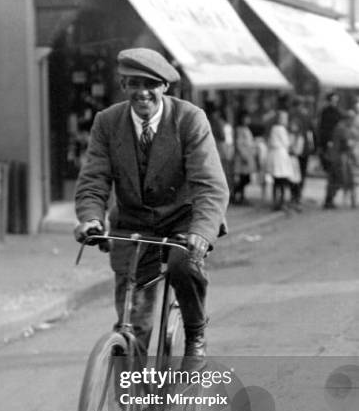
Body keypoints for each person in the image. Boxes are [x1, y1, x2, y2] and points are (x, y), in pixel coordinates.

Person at [74, 48, 229, 364]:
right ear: (123, 86)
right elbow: (94, 179)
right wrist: (91, 219)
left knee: (183, 265)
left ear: (164, 87)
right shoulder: (107, 122)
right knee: (134, 322)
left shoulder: (189, 119)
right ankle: (131, 399)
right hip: (133, 225)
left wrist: (201, 232)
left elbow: (210, 184)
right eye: (133, 84)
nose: (142, 92)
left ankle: (196, 335)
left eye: (150, 84)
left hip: (182, 223)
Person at [317, 92, 343, 208]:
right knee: (333, 175)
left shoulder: (337, 112)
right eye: (333, 99)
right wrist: (325, 144)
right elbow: (323, 129)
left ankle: (329, 198)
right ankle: (328, 199)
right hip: (330, 148)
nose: (335, 102)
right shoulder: (326, 112)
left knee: (335, 176)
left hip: (337, 148)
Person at [329, 110, 357, 208]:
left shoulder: (344, 127)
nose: (353, 121)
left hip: (341, 156)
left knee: (344, 179)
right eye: (352, 119)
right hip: (340, 157)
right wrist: (354, 157)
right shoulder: (342, 128)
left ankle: (352, 200)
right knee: (340, 179)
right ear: (348, 119)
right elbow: (346, 144)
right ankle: (329, 200)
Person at [266, 110, 293, 210]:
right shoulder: (281, 129)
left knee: (276, 181)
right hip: (281, 156)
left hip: (274, 156)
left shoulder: (273, 129)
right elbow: (286, 143)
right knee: (282, 181)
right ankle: (281, 201)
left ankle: (275, 201)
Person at [232, 110, 256, 205]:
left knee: (246, 178)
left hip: (248, 156)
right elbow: (239, 144)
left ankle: (239, 195)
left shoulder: (246, 129)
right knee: (243, 178)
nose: (247, 119)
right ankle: (237, 195)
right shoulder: (240, 130)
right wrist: (243, 155)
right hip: (243, 157)